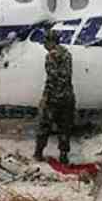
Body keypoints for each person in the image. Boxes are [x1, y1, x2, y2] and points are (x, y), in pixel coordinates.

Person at [35, 30, 75, 164]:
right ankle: (64, 155)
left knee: (44, 125)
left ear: (51, 41)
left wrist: (45, 98)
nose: (44, 45)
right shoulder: (67, 54)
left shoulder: (51, 56)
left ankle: (38, 153)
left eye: (46, 42)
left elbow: (53, 78)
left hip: (54, 98)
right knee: (64, 127)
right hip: (67, 97)